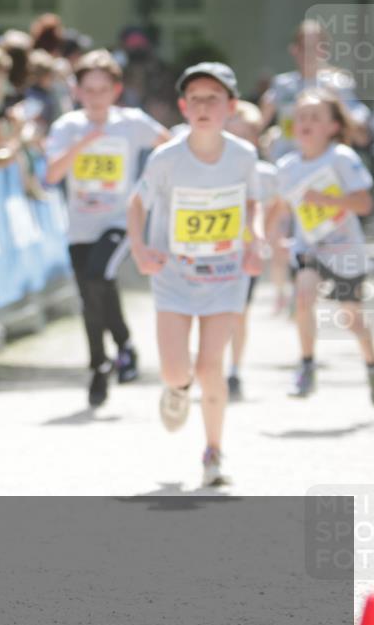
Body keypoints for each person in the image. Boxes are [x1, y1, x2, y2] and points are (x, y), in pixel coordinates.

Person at [127, 63, 262, 487]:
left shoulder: (244, 156)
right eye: (196, 99)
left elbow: (252, 204)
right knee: (174, 370)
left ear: (231, 107)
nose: (204, 107)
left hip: (224, 276)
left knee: (210, 367)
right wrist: (140, 249)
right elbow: (136, 205)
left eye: (214, 99)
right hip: (174, 275)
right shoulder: (167, 158)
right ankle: (177, 390)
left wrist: (254, 240)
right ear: (184, 107)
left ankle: (213, 453)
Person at [45, 49, 169, 408]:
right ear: (77, 90)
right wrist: (81, 145)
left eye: (103, 89)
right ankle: (101, 364)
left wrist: (151, 187)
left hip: (119, 221)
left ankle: (124, 343)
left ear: (116, 90)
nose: (96, 97)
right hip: (80, 227)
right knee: (90, 297)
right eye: (89, 89)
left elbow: (171, 148)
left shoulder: (132, 123)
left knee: (100, 275)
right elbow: (52, 174)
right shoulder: (67, 127)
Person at [271, 89, 374, 403]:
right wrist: (269, 234)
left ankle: (371, 366)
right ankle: (306, 365)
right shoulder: (287, 165)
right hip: (310, 248)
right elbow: (279, 206)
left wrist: (327, 199)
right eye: (301, 116)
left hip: (345, 250)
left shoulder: (341, 158)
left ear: (333, 126)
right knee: (303, 295)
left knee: (352, 319)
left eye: (315, 117)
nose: (305, 122)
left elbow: (364, 204)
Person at [222, 101, 279, 401]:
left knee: (239, 314)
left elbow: (279, 204)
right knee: (213, 313)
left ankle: (234, 370)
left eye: (245, 135)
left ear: (255, 139)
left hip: (246, 256)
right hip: (214, 253)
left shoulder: (266, 174)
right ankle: (210, 363)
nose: (238, 142)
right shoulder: (211, 169)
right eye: (231, 134)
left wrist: (264, 236)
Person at [260, 20, 371, 161]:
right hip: (286, 163)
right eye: (305, 47)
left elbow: (362, 137)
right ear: (294, 49)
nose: (311, 53)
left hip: (325, 166)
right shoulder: (282, 85)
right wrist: (267, 133)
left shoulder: (338, 84)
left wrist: (339, 103)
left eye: (316, 47)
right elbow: (258, 126)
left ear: (325, 50)